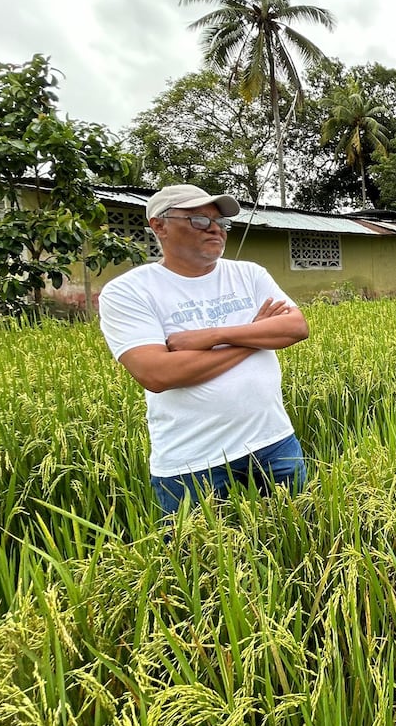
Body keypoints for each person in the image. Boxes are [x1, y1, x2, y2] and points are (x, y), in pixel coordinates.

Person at [98, 184, 310, 516]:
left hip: (274, 442)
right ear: (159, 225)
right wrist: (254, 337)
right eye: (198, 219)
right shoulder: (129, 291)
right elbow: (158, 374)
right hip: (193, 462)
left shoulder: (249, 275)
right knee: (204, 562)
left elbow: (296, 328)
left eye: (220, 223)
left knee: (301, 538)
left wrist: (209, 336)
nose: (214, 228)